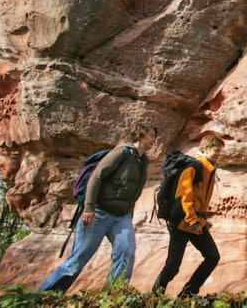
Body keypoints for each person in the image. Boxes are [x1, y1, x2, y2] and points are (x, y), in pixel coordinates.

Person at [39, 124, 157, 293]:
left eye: (155, 136)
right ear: (140, 135)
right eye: (151, 135)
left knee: (126, 253)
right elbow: (96, 178)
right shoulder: (121, 153)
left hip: (121, 216)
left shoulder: (143, 161)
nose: (154, 140)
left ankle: (113, 296)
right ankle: (44, 296)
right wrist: (89, 208)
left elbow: (135, 190)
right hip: (98, 213)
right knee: (78, 259)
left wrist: (128, 213)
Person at [152, 134, 224, 298]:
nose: (219, 154)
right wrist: (192, 221)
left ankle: (187, 293)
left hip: (196, 221)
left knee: (212, 256)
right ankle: (154, 296)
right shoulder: (193, 167)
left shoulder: (210, 169)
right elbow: (184, 195)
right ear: (205, 149)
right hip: (182, 221)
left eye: (220, 151)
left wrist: (200, 219)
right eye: (216, 150)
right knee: (173, 266)